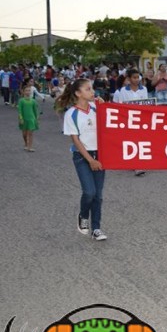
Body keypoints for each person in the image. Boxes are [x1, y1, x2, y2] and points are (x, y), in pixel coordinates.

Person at [57, 79, 107, 241]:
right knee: (89, 192)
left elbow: (109, 125)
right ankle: (83, 215)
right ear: (78, 93)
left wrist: (104, 108)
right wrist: (90, 160)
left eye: (92, 89)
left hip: (99, 154)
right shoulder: (71, 114)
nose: (92, 92)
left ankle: (96, 228)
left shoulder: (96, 108)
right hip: (82, 156)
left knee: (98, 195)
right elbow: (76, 140)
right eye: (88, 89)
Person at [17, 85, 40, 151]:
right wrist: (21, 118)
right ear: (23, 92)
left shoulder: (33, 101)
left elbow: (35, 111)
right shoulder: (21, 101)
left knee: (30, 133)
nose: (28, 92)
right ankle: (26, 143)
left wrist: (37, 119)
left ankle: (30, 147)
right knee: (24, 134)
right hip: (24, 119)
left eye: (29, 90)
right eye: (26, 90)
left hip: (31, 119)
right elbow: (20, 110)